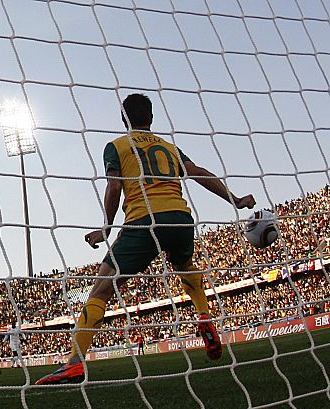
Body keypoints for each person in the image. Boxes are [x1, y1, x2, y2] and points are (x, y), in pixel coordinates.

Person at [36, 93, 256, 385]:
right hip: (180, 218)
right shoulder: (169, 147)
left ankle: (74, 363)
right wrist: (236, 200)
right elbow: (198, 173)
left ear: (123, 119)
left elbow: (114, 186)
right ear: (151, 118)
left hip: (144, 221)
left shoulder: (117, 146)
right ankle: (204, 314)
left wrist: (106, 227)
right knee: (185, 265)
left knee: (101, 289)